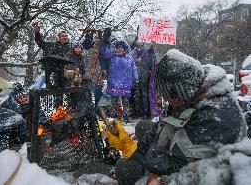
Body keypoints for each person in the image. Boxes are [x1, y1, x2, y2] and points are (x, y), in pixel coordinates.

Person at [106, 49, 247, 184]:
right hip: (190, 151)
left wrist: (133, 151)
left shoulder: (212, 117)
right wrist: (138, 147)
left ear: (180, 93)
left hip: (203, 171)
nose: (165, 99)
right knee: (144, 127)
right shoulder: (193, 91)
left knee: (124, 168)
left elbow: (177, 167)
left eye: (167, 96)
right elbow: (167, 123)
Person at [0, 82, 46, 156]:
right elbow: (4, 115)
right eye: (20, 98)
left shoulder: (32, 104)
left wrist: (40, 121)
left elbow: (40, 115)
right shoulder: (10, 104)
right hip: (13, 132)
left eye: (24, 96)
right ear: (15, 98)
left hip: (25, 133)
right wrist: (19, 120)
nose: (23, 99)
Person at [101, 40, 138, 122]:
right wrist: (106, 42)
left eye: (121, 48)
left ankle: (126, 117)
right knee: (113, 102)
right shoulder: (112, 57)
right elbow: (105, 54)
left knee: (126, 102)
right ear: (115, 49)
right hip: (114, 84)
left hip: (126, 84)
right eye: (118, 48)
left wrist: (135, 79)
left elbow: (134, 69)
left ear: (124, 49)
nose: (120, 49)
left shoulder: (130, 58)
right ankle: (112, 117)